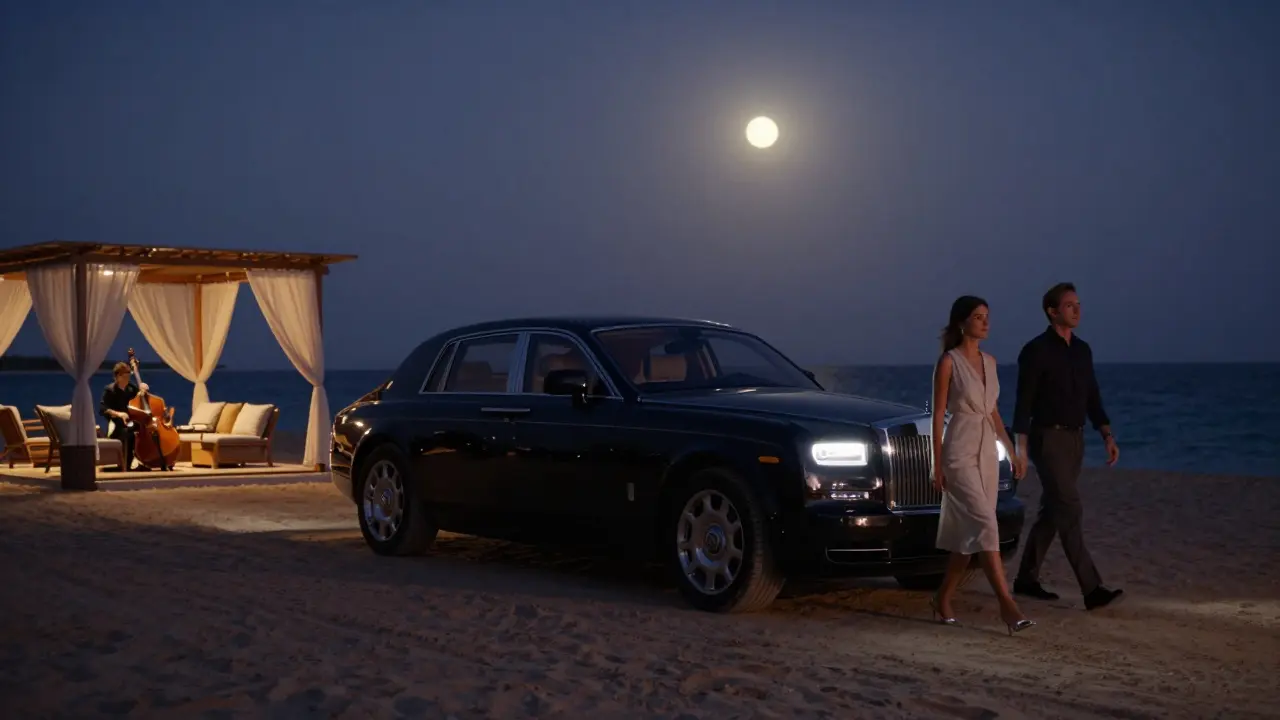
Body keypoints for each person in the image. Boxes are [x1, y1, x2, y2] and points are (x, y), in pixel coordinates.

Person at [1010, 282, 1124, 611]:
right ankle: (1092, 589)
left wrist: (1106, 434)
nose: (1077, 310)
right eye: (1069, 305)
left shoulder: (1082, 350)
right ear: (1052, 311)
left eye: (1078, 304)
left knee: (1053, 509)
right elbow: (1023, 403)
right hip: (1047, 438)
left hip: (1076, 438)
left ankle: (1026, 579)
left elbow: (1092, 395)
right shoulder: (1035, 350)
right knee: (1070, 508)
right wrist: (1020, 449)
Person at [929, 295, 1035, 634]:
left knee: (968, 533)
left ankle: (942, 598)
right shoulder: (949, 362)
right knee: (986, 524)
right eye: (978, 317)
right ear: (962, 322)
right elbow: (937, 415)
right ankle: (1008, 606)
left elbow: (993, 412)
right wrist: (936, 464)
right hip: (958, 450)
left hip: (986, 452)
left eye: (987, 316)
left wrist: (1012, 450)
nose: (986, 322)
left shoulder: (990, 362)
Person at [99, 361, 148, 472]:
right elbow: (103, 409)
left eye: (129, 373)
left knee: (145, 430)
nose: (129, 376)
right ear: (118, 376)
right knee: (128, 434)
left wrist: (143, 390)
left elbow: (140, 400)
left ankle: (146, 460)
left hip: (132, 422)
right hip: (116, 425)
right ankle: (126, 465)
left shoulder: (131, 388)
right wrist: (119, 414)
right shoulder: (110, 390)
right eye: (126, 374)